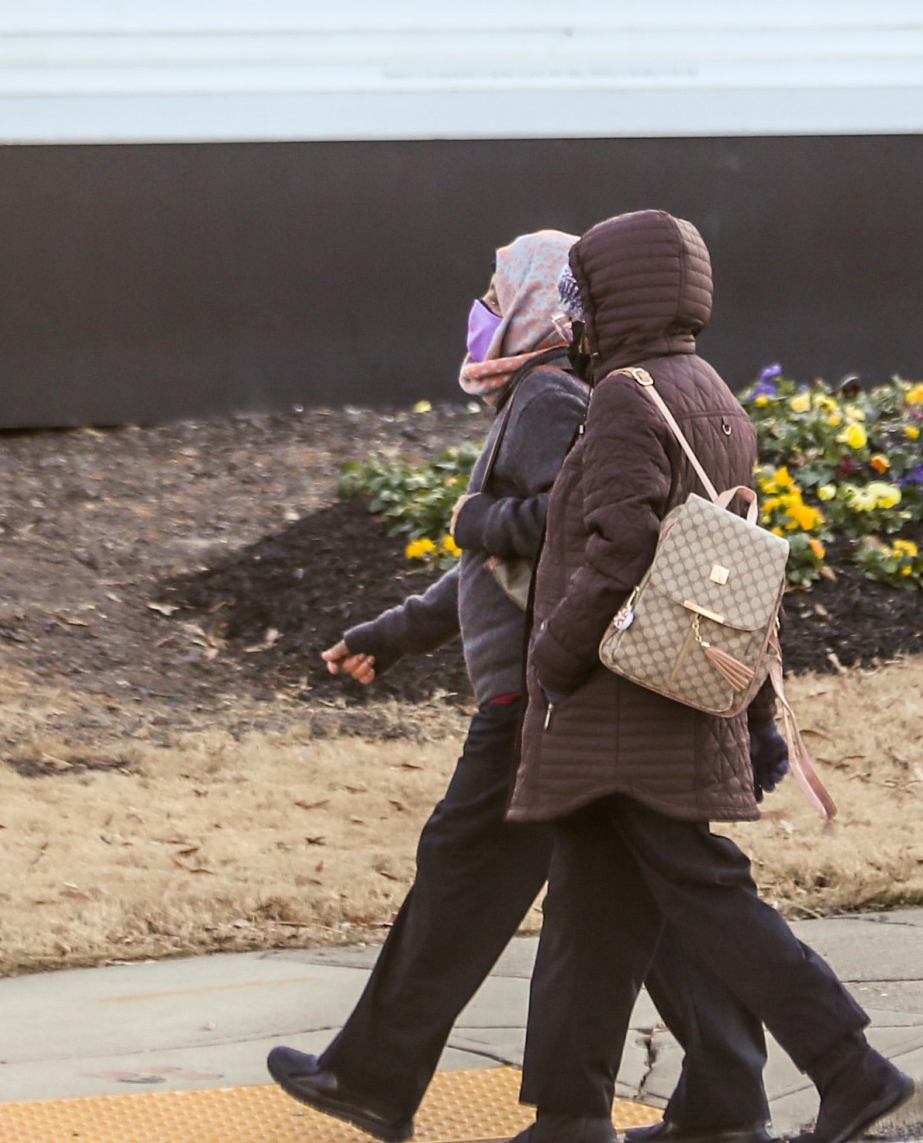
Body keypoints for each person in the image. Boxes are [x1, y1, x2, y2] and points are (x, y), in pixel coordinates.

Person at [269, 229, 778, 1143]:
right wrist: (392, 635)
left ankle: (376, 1081)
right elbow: (498, 574)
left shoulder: (547, 397)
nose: (485, 310)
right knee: (638, 899)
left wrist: (477, 518)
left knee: (463, 879)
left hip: (539, 699)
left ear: (539, 304)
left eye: (498, 292)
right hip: (548, 691)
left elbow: (565, 531)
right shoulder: (556, 395)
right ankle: (725, 1099)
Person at [507, 211, 912, 1143]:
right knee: (591, 907)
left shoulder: (624, 397)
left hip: (623, 698)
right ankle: (577, 1114)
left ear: (614, 299)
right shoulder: (712, 394)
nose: (574, 316)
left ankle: (852, 1069)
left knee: (709, 898)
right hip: (682, 691)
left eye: (583, 296)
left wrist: (554, 656)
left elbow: (620, 548)